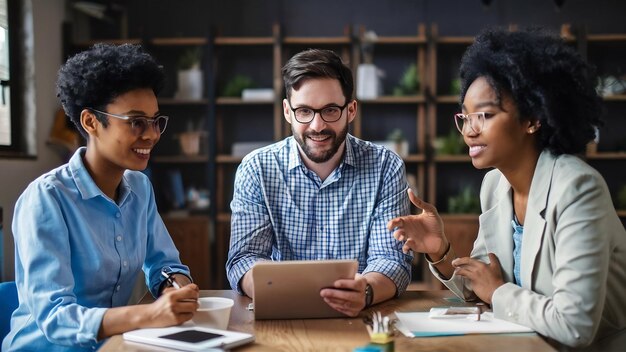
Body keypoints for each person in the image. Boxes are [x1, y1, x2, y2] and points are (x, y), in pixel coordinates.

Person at [388, 28, 626, 349]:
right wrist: (440, 251)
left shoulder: (578, 189)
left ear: (532, 118)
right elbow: (481, 284)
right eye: (466, 117)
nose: (470, 131)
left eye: (485, 115)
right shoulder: (495, 184)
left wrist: (497, 291)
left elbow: (575, 325)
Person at [2, 43, 200, 351]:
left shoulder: (140, 188)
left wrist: (176, 285)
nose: (151, 134)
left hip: (114, 345)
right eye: (136, 121)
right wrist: (148, 314)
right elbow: (55, 318)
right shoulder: (46, 199)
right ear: (90, 122)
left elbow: (162, 263)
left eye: (155, 121)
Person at [226, 49, 412, 317]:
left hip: (359, 318)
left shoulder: (385, 167)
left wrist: (367, 291)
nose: (317, 125)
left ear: (351, 110)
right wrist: (283, 292)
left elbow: (391, 259)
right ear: (287, 111)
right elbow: (243, 259)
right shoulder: (256, 169)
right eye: (304, 111)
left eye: (330, 110)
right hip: (280, 318)